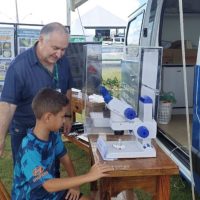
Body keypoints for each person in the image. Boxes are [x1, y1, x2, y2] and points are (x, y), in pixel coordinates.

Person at [12, 88, 113, 200]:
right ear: (48, 117)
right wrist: (89, 176)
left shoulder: (53, 134)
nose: (65, 120)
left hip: (49, 194)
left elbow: (66, 159)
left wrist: (75, 186)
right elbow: (49, 185)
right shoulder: (29, 148)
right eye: (62, 116)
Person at [0, 22, 73, 165]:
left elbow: (67, 90)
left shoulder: (63, 62)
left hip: (52, 129)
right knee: (28, 178)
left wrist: (68, 116)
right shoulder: (19, 67)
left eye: (63, 49)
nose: (59, 54)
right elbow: (7, 105)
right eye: (55, 48)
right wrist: (1, 137)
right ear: (41, 40)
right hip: (25, 131)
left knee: (52, 172)